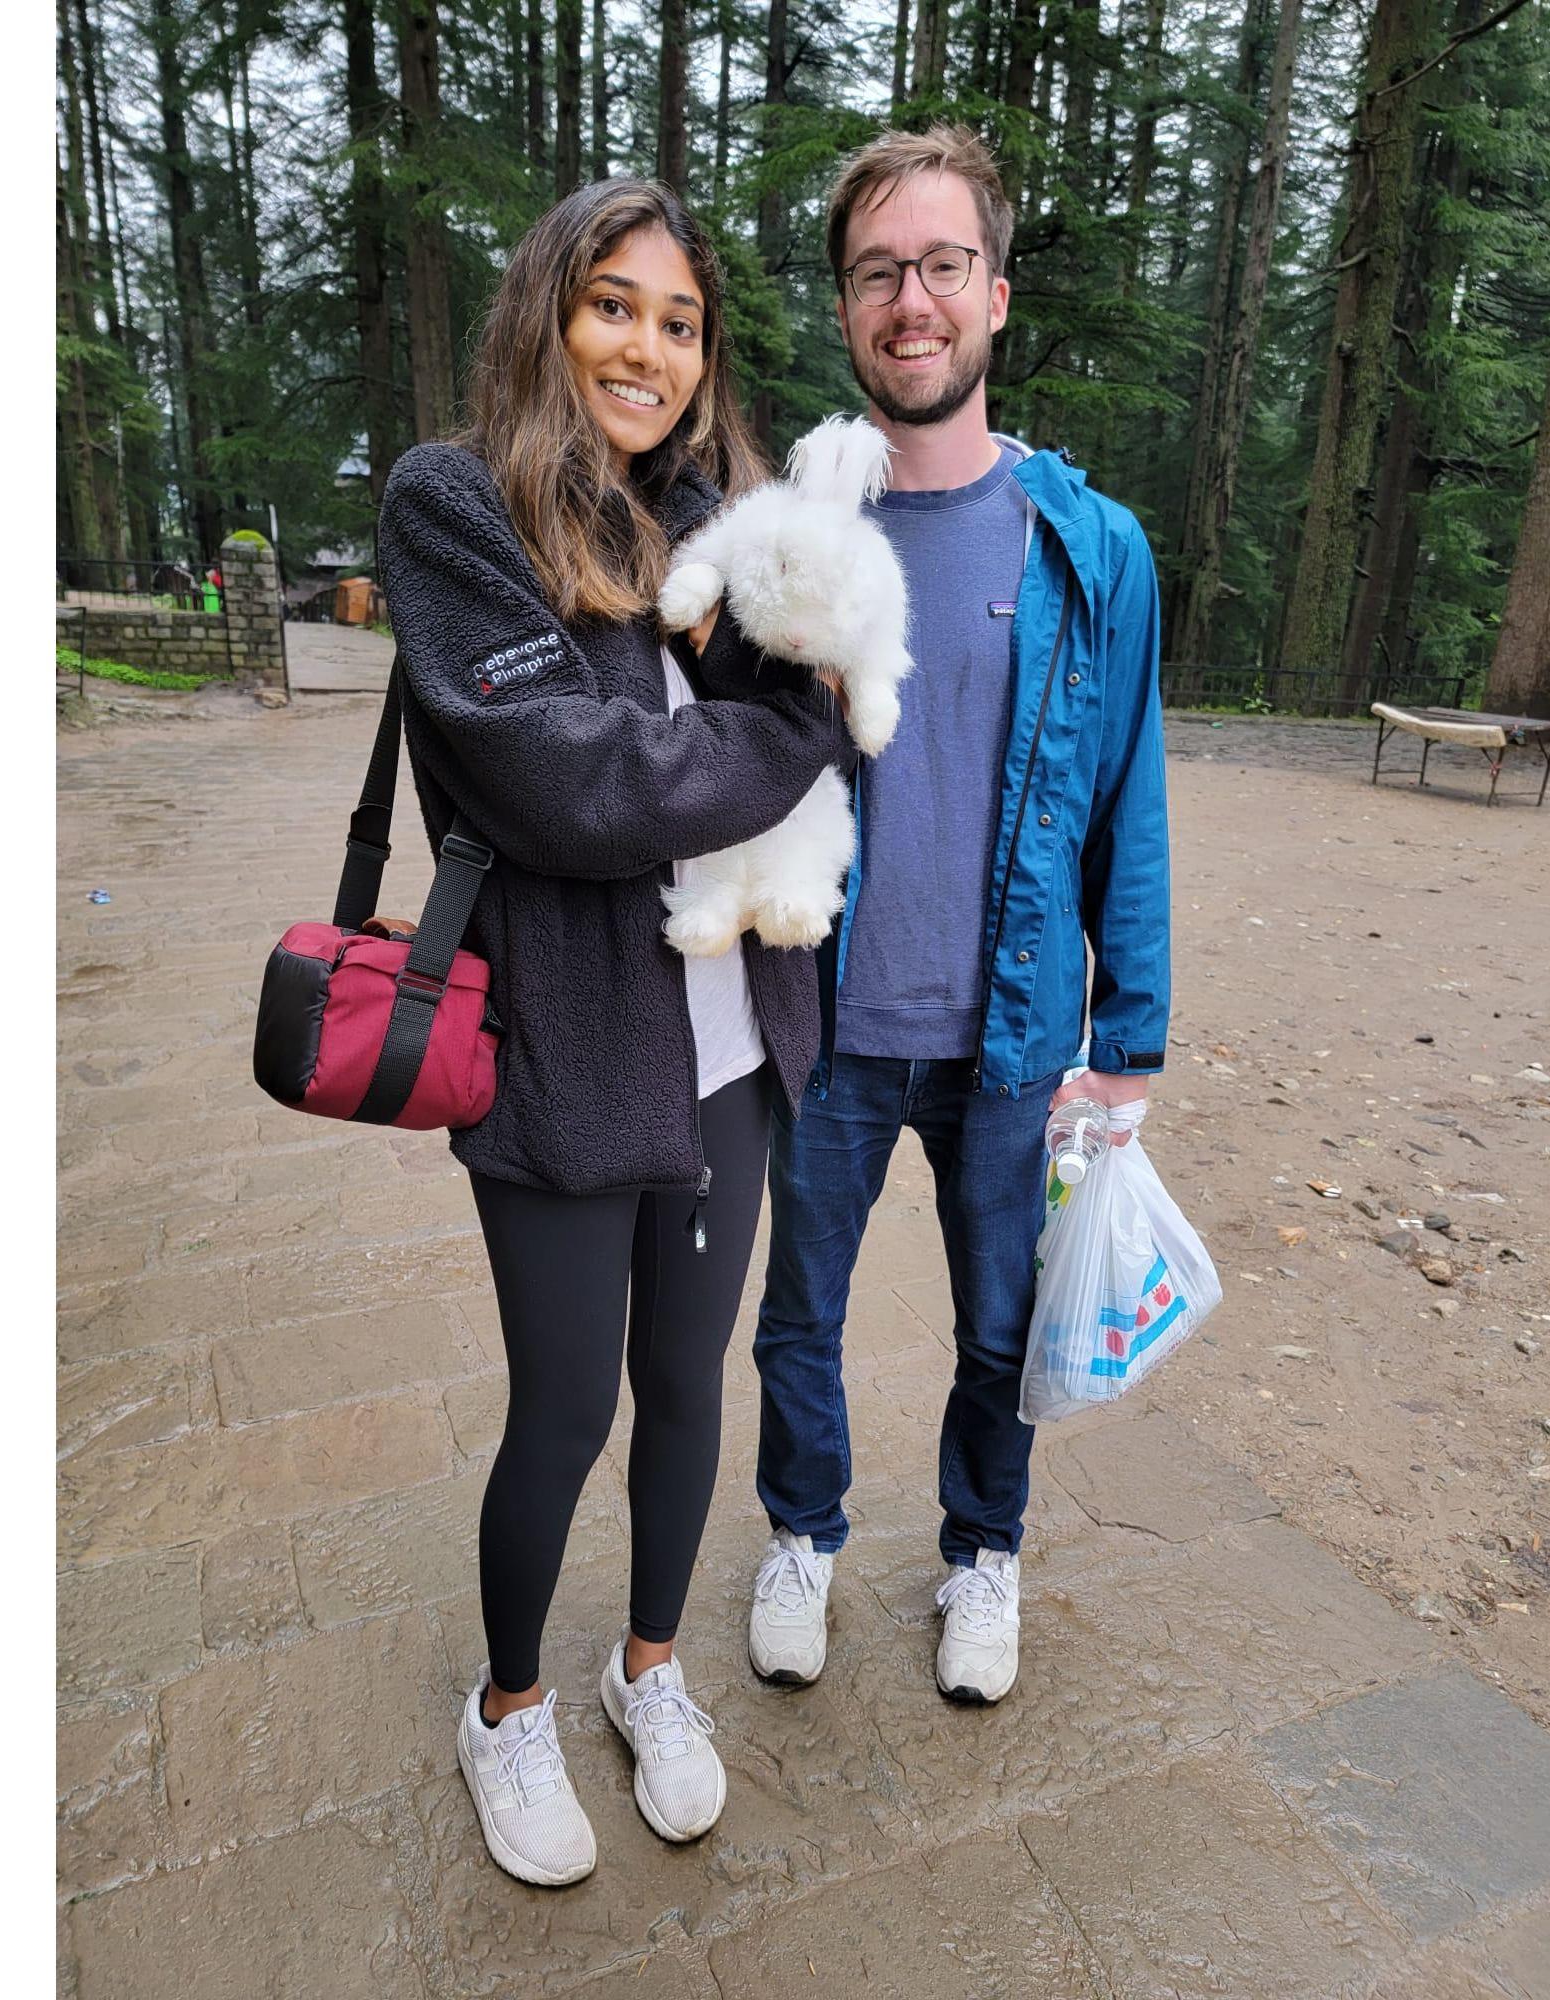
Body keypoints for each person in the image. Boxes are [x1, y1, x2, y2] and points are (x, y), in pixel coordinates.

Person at [375, 179, 855, 1888]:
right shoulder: (456, 508)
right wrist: (799, 730)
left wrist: (801, 700)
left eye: (678, 319)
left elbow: (829, 678)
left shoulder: (712, 526)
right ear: (547, 313)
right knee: (567, 1403)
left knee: (683, 1385)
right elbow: (581, 782)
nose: (646, 348)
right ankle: (506, 1708)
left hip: (732, 1036)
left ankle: (649, 1668)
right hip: (569, 1051)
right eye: (611, 306)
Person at [745, 125, 1171, 1705]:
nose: (908, 301)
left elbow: (1131, 793)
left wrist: (1127, 1036)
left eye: (938, 267)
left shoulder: (1090, 546)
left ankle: (982, 1555)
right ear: (849, 307)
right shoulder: (800, 527)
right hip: (826, 1022)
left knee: (1004, 1322)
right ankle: (805, 1531)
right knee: (802, 1311)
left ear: (993, 295)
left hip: (1010, 1036)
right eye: (876, 273)